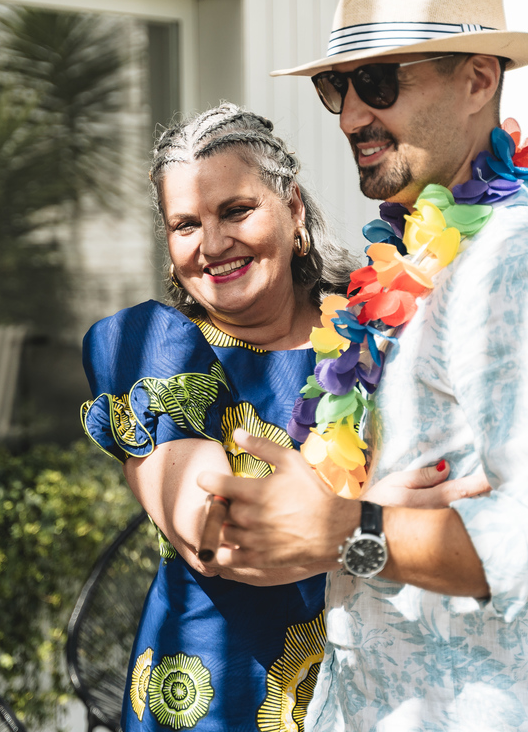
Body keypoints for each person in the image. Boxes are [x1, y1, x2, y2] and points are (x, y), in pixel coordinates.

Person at [197, 0, 528, 732]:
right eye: (338, 86)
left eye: (380, 82)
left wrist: (343, 530)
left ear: (478, 79)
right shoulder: (407, 260)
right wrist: (332, 507)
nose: (351, 116)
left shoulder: (518, 267)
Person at [80, 103, 481, 732]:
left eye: (236, 211)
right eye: (185, 225)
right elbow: (219, 539)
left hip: (393, 695)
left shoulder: (380, 318)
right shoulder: (150, 347)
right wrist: (375, 515)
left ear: (293, 208)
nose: (212, 244)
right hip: (218, 702)